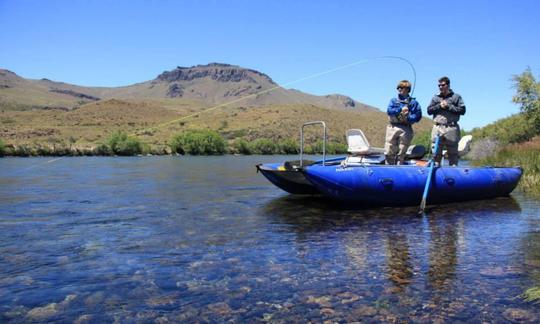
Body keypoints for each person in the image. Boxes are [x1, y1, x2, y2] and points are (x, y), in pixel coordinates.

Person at [427, 76, 466, 166]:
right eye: (439, 85)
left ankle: (453, 173)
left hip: (452, 128)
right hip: (438, 127)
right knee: (435, 153)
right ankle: (435, 171)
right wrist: (439, 106)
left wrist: (448, 106)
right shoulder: (435, 97)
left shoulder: (456, 97)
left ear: (448, 85)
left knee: (453, 154)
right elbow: (429, 111)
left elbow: (462, 111)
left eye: (442, 85)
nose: (440, 87)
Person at [384, 80, 422, 165]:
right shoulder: (393, 100)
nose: (399, 89)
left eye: (401, 87)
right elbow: (389, 111)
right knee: (389, 150)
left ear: (407, 89)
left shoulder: (413, 103)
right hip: (392, 127)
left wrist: (409, 117)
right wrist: (400, 110)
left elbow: (418, 116)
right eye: (398, 87)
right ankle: (388, 168)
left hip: (406, 128)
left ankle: (399, 168)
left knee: (401, 152)